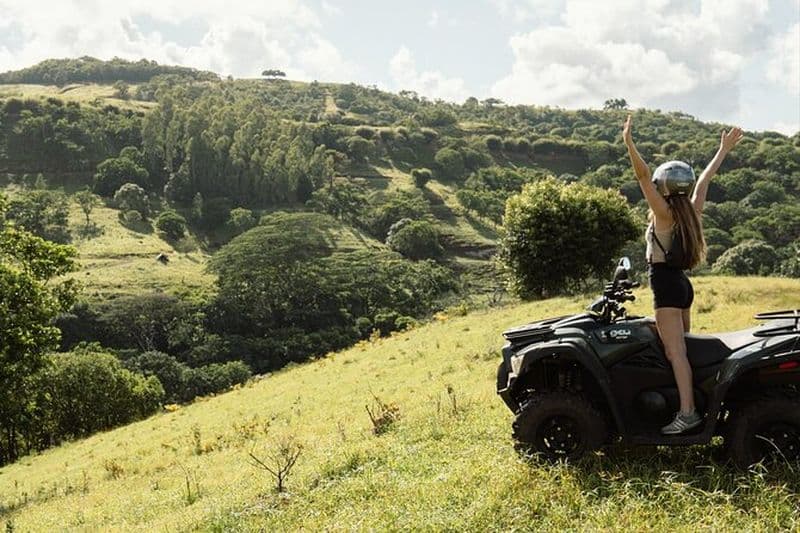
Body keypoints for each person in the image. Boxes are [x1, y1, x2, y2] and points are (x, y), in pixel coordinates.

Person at [623, 115, 743, 434]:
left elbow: (642, 176)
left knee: (675, 353)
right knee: (682, 348)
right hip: (682, 286)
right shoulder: (690, 212)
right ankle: (696, 401)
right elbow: (704, 181)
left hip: (665, 285)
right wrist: (723, 150)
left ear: (664, 187)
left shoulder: (663, 214)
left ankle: (688, 413)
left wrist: (629, 144)